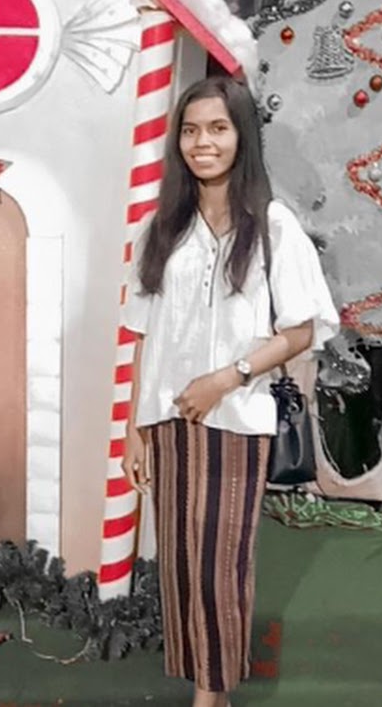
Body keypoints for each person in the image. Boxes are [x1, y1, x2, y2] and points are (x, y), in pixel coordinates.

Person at [121, 76, 338, 707]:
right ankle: (205, 687)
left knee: (220, 566)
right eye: (190, 130)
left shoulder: (273, 226)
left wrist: (228, 377)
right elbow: (142, 334)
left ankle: (210, 698)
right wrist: (133, 429)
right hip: (168, 420)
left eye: (217, 128)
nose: (202, 143)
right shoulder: (161, 228)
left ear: (242, 136)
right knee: (180, 565)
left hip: (236, 418)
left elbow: (302, 330)